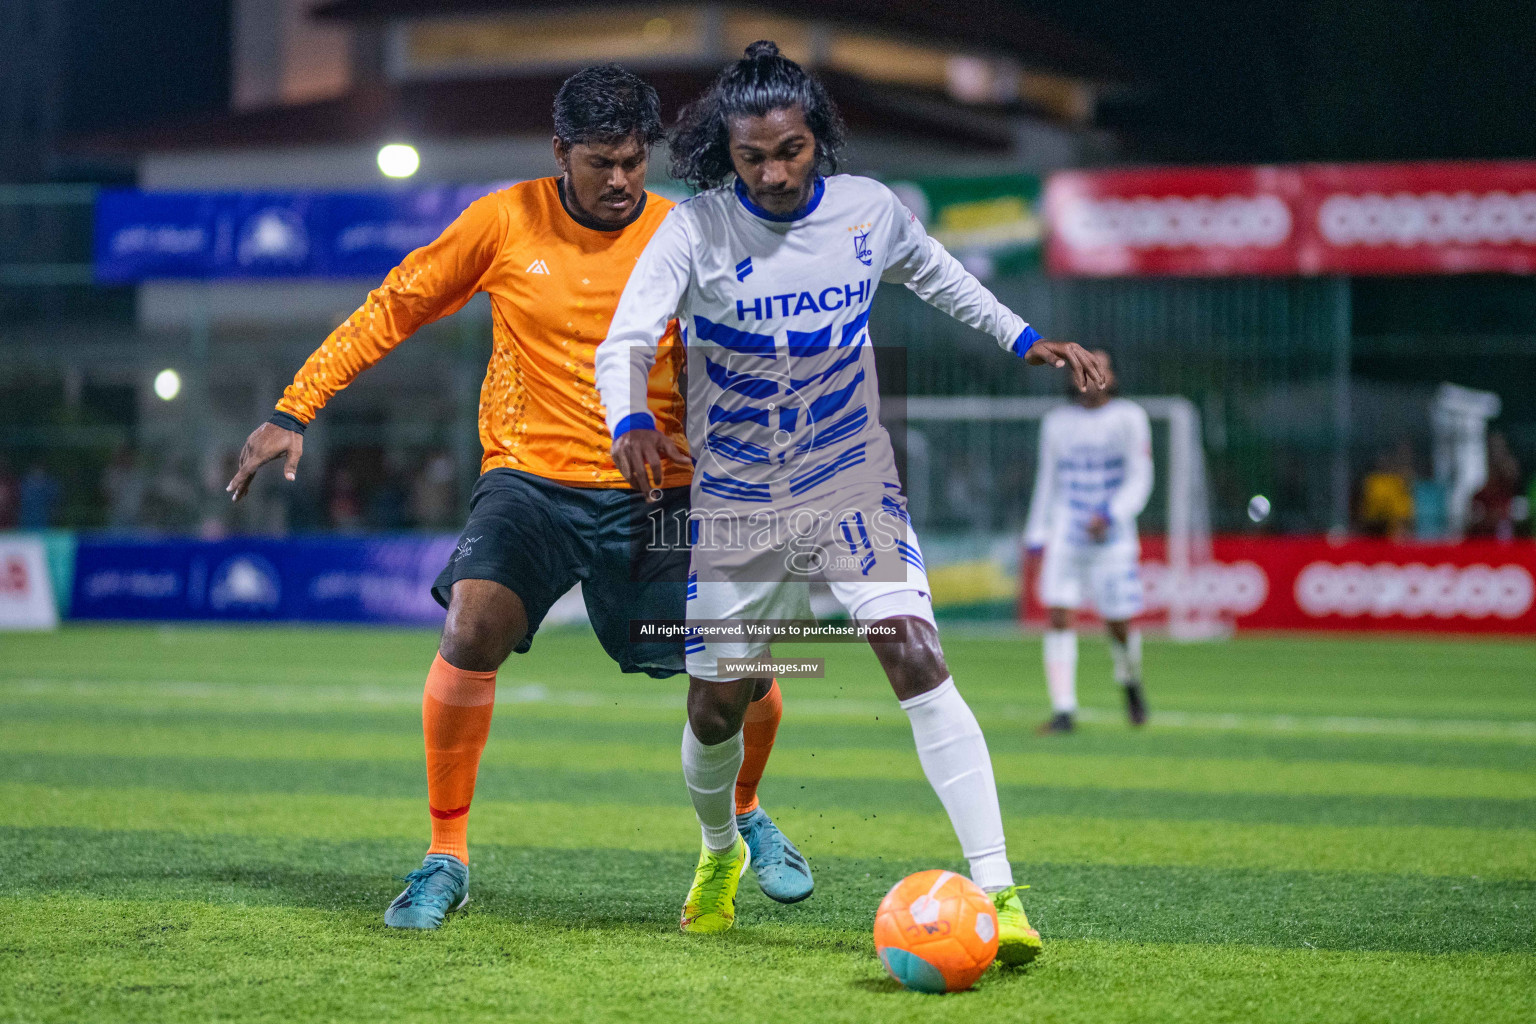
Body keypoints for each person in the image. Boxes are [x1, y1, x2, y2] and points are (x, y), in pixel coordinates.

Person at [224, 64, 812, 930]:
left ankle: (747, 811)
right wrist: (293, 408)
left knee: (737, 666)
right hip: (530, 480)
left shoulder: (685, 234)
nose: (620, 180)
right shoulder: (503, 221)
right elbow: (395, 306)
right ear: (559, 153)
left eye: (633, 162)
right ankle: (445, 854)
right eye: (600, 162)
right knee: (471, 625)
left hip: (662, 490)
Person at [595, 41, 1106, 958]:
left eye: (789, 150)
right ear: (726, 152)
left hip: (848, 481)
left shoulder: (870, 211)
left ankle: (1002, 892)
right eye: (752, 157)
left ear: (816, 137)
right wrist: (629, 417)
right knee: (716, 708)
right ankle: (720, 853)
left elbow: (941, 276)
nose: (774, 172)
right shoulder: (695, 228)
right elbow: (626, 337)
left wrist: (1027, 338)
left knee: (914, 652)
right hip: (741, 497)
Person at [1022, 352, 1153, 734]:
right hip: (1067, 532)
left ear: (1112, 377)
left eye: (1102, 367)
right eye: (1085, 366)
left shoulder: (1129, 418)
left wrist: (1111, 513)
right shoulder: (1057, 423)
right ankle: (1064, 710)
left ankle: (1130, 681)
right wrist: (1036, 535)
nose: (1093, 373)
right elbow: (1047, 480)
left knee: (1118, 623)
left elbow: (1140, 477)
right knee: (1059, 615)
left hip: (1113, 537)